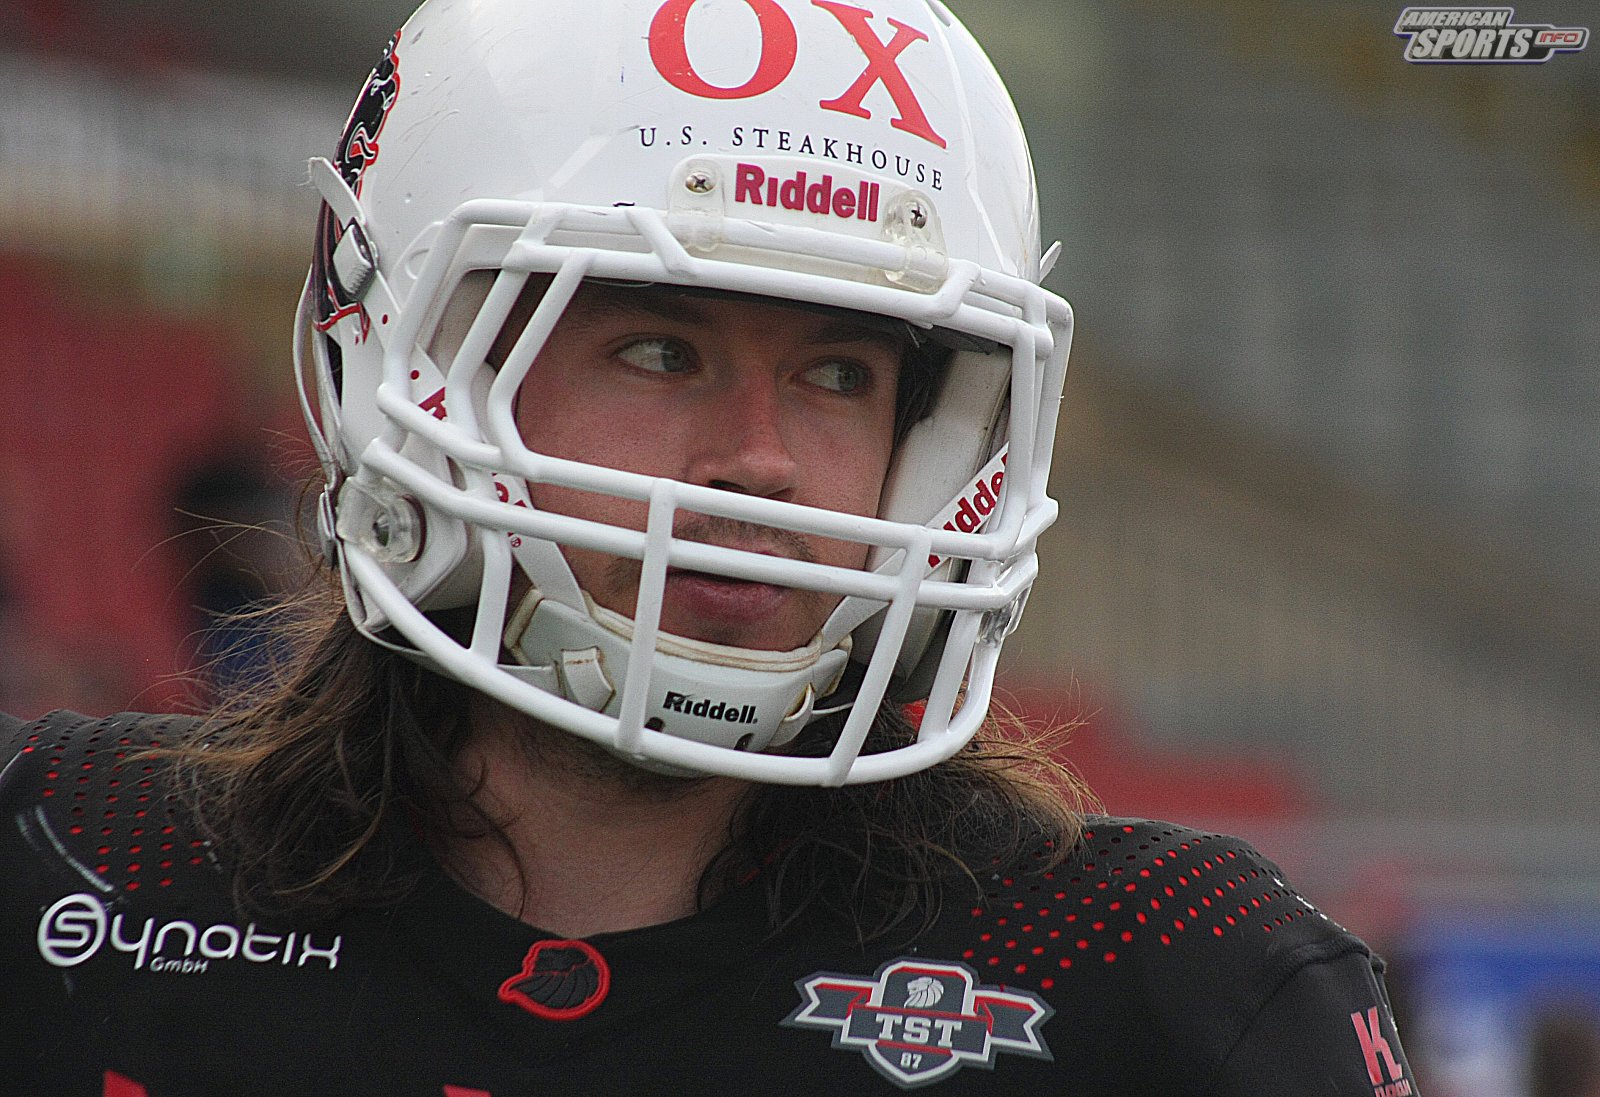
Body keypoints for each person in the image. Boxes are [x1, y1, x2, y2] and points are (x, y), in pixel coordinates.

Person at [0, 0, 1420, 1093]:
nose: (760, 457)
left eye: (840, 374)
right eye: (660, 349)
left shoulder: (1166, 988)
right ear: (405, 361)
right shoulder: (62, 873)